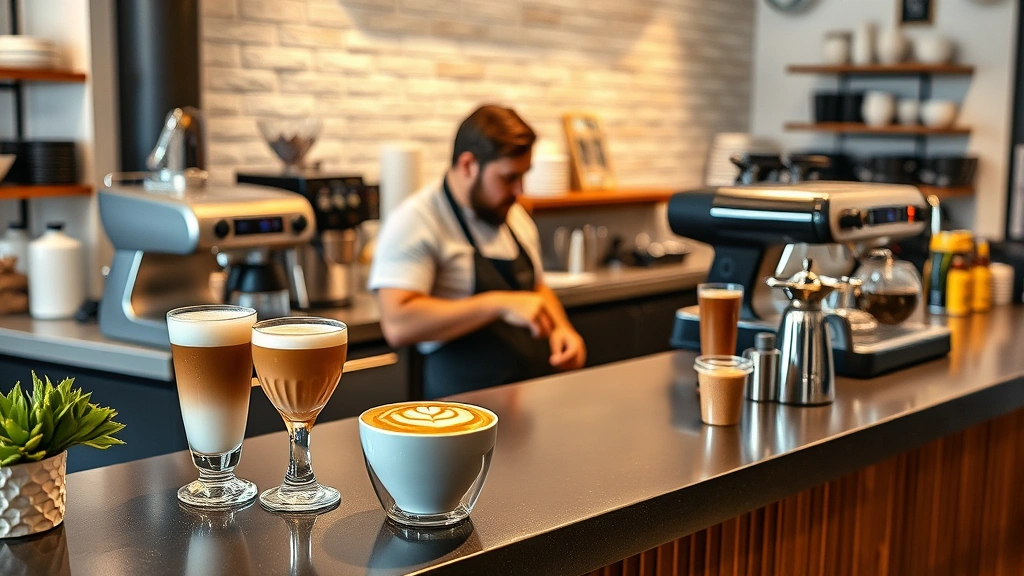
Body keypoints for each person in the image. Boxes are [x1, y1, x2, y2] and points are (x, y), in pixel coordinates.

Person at [369, 105, 587, 399]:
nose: (519, 190)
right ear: (469, 165)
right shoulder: (416, 220)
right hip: (461, 408)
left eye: (524, 176)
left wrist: (563, 330)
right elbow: (398, 322)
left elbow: (535, 288)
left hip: (529, 400)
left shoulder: (512, 215)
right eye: (509, 178)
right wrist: (497, 303)